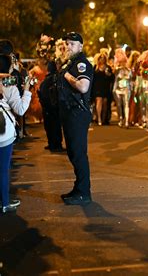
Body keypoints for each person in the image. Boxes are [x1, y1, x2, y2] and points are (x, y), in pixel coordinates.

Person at [57, 32, 93, 205]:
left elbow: (83, 86)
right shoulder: (71, 63)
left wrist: (67, 76)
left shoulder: (81, 64)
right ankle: (79, 188)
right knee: (73, 152)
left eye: (72, 44)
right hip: (70, 113)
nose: (68, 47)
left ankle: (83, 192)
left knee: (78, 153)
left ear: (80, 46)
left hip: (77, 113)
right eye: (67, 44)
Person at [0, 42, 33, 213]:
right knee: (3, 169)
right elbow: (20, 109)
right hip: (3, 132)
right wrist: (27, 89)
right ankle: (4, 203)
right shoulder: (9, 83)